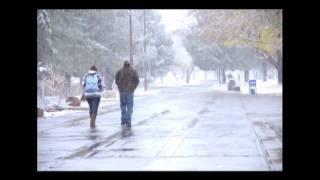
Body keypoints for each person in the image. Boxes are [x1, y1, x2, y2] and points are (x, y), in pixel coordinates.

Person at [115, 61, 139, 128]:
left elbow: (116, 80)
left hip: (122, 91)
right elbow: (137, 81)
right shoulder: (133, 72)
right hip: (130, 91)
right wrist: (133, 88)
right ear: (129, 65)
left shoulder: (120, 72)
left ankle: (123, 120)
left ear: (124, 65)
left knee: (123, 106)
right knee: (129, 107)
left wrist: (120, 87)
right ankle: (128, 121)